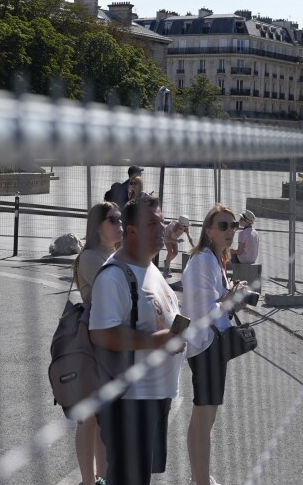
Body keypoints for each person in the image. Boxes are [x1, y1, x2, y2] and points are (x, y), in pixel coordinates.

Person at [88, 193, 186, 485]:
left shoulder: (151, 268)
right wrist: (158, 341)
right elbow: (101, 333)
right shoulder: (114, 276)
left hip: (155, 396)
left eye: (163, 221)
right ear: (132, 231)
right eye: (154, 224)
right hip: (130, 401)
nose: (163, 228)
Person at [182, 204, 251, 485]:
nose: (230, 231)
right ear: (209, 230)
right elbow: (205, 309)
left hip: (209, 345)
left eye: (233, 225)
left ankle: (199, 476)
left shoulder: (212, 259)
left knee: (202, 418)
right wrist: (230, 296)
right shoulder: (202, 261)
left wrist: (232, 294)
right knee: (204, 420)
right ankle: (201, 481)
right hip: (206, 346)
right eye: (223, 226)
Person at [70, 201, 124, 485]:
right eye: (113, 219)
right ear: (98, 225)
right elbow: (116, 291)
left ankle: (103, 478)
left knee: (104, 419)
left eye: (120, 219)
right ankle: (89, 481)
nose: (120, 224)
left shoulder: (114, 254)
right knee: (89, 418)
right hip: (92, 346)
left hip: (111, 344)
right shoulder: (91, 257)